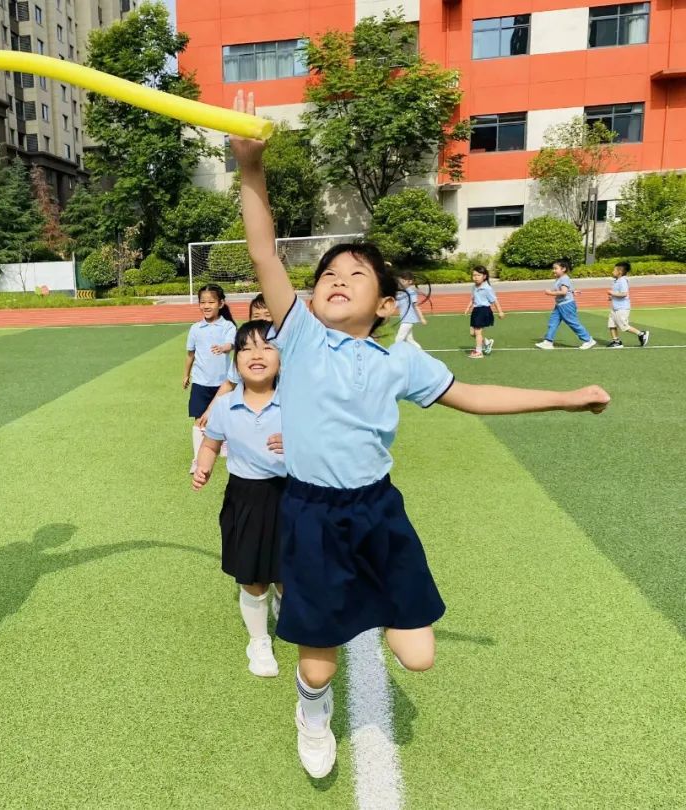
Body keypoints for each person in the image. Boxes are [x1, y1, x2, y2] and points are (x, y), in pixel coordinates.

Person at [230, 89, 610, 780]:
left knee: (420, 656)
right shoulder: (304, 337)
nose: (337, 279)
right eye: (328, 275)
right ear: (309, 298)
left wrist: (564, 397)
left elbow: (475, 394)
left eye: (356, 275)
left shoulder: (402, 359)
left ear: (384, 304)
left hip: (378, 511)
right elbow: (262, 249)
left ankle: (360, 613)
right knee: (318, 655)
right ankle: (311, 709)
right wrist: (250, 168)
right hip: (312, 514)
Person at [193, 320, 286, 677]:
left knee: (288, 572)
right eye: (246, 348)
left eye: (267, 346)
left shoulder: (296, 402)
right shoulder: (225, 405)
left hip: (291, 496)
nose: (256, 354)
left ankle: (283, 604)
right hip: (244, 497)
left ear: (282, 357)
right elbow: (212, 443)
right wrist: (203, 466)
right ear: (236, 362)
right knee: (251, 576)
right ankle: (259, 640)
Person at [195, 294, 272, 431]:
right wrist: (210, 410)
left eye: (268, 314)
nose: (262, 320)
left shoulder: (289, 347)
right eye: (256, 316)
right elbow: (230, 383)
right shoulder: (244, 352)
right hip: (252, 415)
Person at [184, 284, 237, 472]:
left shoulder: (227, 326)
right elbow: (190, 354)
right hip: (200, 382)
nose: (206, 306)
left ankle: (223, 443)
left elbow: (231, 343)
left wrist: (224, 347)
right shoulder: (195, 328)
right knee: (199, 420)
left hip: (222, 382)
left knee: (223, 416)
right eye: (202, 302)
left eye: (211, 302)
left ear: (221, 303)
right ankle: (198, 459)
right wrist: (186, 375)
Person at [536, 258, 597, 350]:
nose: (553, 270)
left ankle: (588, 340)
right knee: (553, 322)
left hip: (566, 305)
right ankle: (548, 341)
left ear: (563, 269)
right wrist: (573, 292)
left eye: (556, 268)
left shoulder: (564, 278)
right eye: (553, 268)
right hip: (559, 305)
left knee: (573, 323)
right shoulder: (560, 278)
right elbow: (567, 290)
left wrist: (550, 293)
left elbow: (563, 292)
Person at [463, 266, 505, 358]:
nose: (475, 277)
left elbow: (494, 300)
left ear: (484, 276)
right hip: (476, 310)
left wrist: (500, 312)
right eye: (474, 275)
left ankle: (479, 352)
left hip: (484, 310)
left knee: (478, 332)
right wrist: (468, 307)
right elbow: (473, 298)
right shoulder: (474, 286)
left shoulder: (487, 288)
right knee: (472, 333)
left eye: (478, 275)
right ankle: (487, 342)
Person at [606, 261, 650, 348]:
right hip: (615, 307)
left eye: (614, 270)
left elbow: (624, 294)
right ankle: (616, 342)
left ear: (620, 272)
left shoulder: (622, 281)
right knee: (611, 324)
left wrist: (612, 293)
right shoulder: (616, 281)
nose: (612, 272)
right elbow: (618, 293)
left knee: (624, 326)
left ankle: (641, 334)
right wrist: (612, 297)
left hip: (622, 308)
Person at [393, 270, 427, 349]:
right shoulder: (401, 293)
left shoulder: (411, 293)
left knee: (398, 339)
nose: (401, 283)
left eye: (403, 281)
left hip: (408, 320)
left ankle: (392, 355)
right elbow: (395, 304)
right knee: (409, 340)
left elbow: (415, 306)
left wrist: (422, 318)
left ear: (410, 281)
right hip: (405, 319)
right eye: (400, 281)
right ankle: (420, 352)